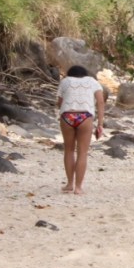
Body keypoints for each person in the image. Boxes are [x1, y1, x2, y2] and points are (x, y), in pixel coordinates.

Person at [56, 65, 105, 194]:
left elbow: (59, 103)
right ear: (85, 74)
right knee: (82, 153)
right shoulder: (92, 81)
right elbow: (100, 102)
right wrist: (100, 123)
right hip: (85, 116)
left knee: (69, 150)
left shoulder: (65, 81)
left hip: (67, 116)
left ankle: (69, 184)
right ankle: (78, 187)